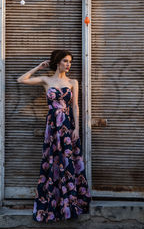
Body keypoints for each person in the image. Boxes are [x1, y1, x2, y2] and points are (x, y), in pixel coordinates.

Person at [17, 49, 92, 222]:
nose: (68, 64)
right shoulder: (47, 80)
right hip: (52, 127)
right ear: (58, 62)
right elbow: (21, 79)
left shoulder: (73, 82)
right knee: (52, 162)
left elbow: (75, 107)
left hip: (66, 125)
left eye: (70, 62)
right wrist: (39, 67)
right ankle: (52, 206)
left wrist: (76, 129)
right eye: (65, 61)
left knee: (68, 162)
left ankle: (69, 205)